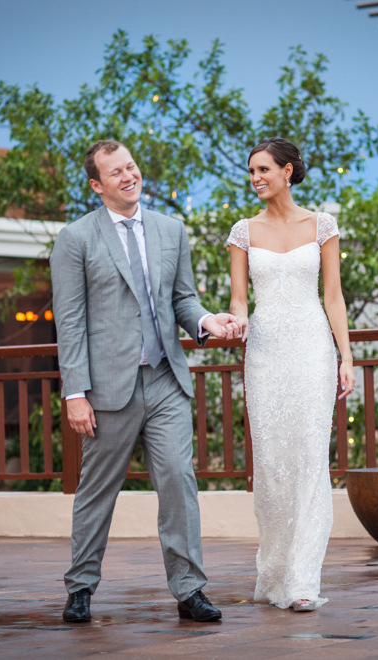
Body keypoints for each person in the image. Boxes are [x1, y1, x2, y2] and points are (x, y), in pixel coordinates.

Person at [51, 139, 240, 624]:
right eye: (115, 172)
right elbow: (69, 322)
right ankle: (80, 589)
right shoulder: (76, 239)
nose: (128, 176)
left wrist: (206, 323)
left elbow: (184, 300)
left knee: (179, 480)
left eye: (131, 166)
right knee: (97, 490)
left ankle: (190, 589)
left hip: (165, 381)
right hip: (107, 388)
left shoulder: (171, 230)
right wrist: (75, 394)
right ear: (97, 185)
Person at [227, 137, 356, 612]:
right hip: (264, 353)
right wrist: (235, 320)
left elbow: (334, 297)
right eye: (252, 171)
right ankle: (275, 570)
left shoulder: (321, 225)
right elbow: (240, 301)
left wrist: (346, 356)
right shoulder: (242, 231)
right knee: (273, 466)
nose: (256, 178)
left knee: (308, 460)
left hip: (312, 350)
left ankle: (302, 579)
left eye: (263, 169)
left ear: (288, 171)